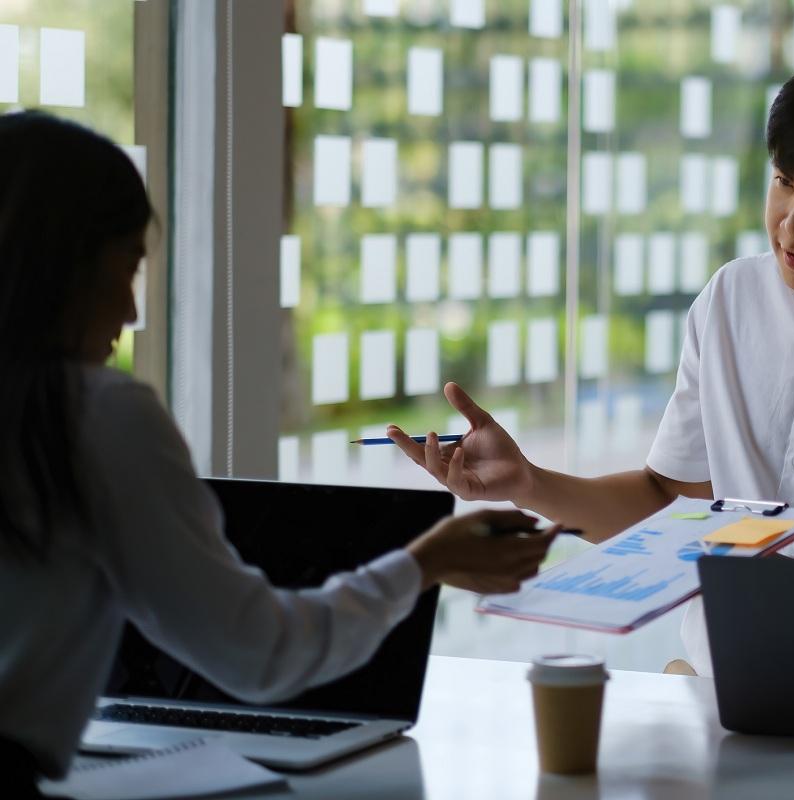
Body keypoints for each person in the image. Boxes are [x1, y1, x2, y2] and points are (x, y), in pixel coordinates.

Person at [387, 42, 794, 676]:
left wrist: (744, 582)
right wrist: (527, 483)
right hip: (711, 695)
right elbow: (670, 505)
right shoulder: (734, 299)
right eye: (785, 183)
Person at [0, 111, 557, 795]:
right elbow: (261, 654)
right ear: (58, 266)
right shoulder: (94, 418)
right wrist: (426, 562)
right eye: (126, 267)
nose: (131, 310)